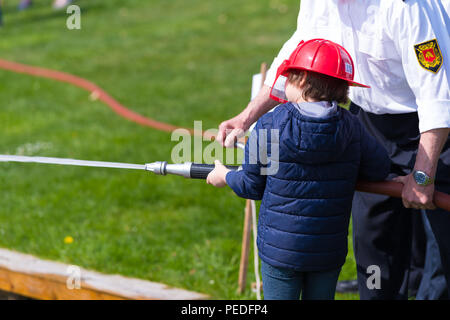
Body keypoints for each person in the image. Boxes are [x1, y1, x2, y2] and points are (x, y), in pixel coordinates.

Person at [216, 0, 450, 300]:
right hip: (370, 126)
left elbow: (437, 95)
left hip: (436, 132)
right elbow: (297, 52)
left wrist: (421, 175)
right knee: (375, 250)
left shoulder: (405, 6)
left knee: (443, 251)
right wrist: (247, 116)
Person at [207, 39, 391, 300]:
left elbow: (252, 185)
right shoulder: (352, 126)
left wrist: (223, 175)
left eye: (289, 77)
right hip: (327, 251)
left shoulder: (271, 122)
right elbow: (379, 168)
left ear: (302, 80)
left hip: (280, 251)